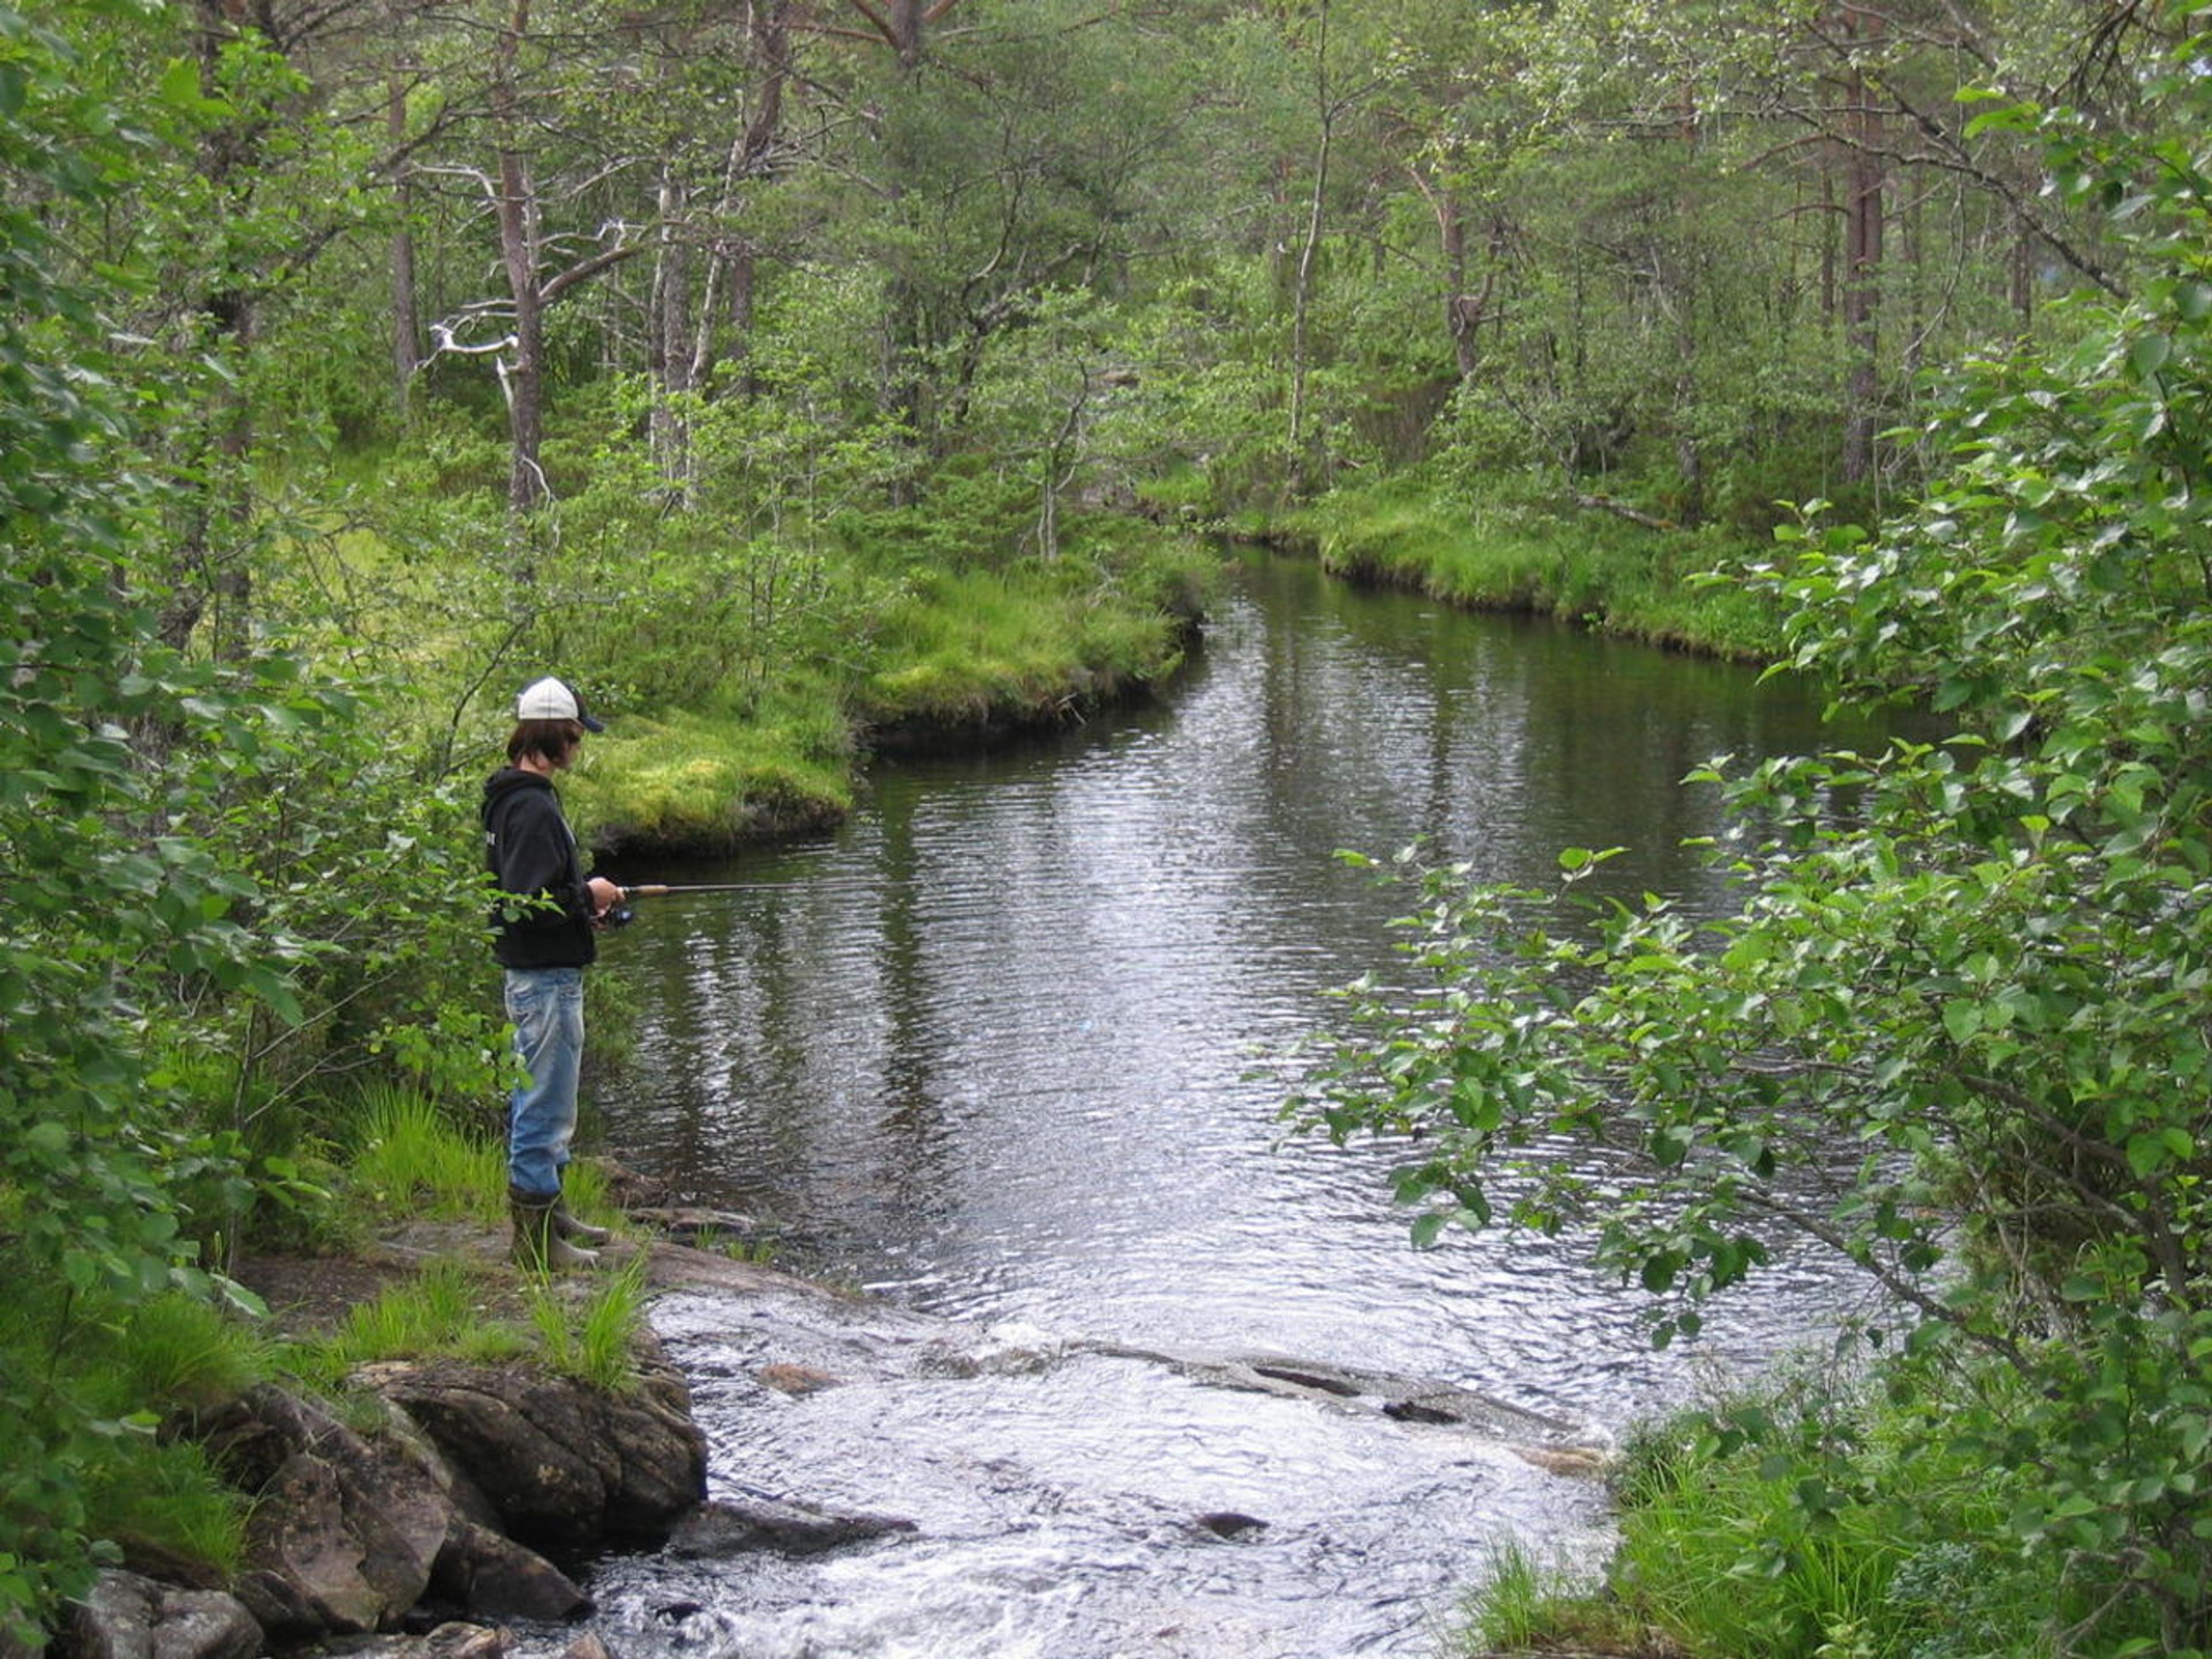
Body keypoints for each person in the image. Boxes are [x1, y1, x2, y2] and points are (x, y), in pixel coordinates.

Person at [482, 676, 624, 1271]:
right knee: (544, 1105)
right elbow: (527, 901)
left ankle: (553, 1213)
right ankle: (537, 1246)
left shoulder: (510, 798)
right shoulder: (533, 807)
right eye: (578, 736)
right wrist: (589, 892)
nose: (580, 747)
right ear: (561, 736)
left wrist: (581, 909)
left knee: (544, 1099)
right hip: (545, 982)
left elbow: (533, 900)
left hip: (538, 972)